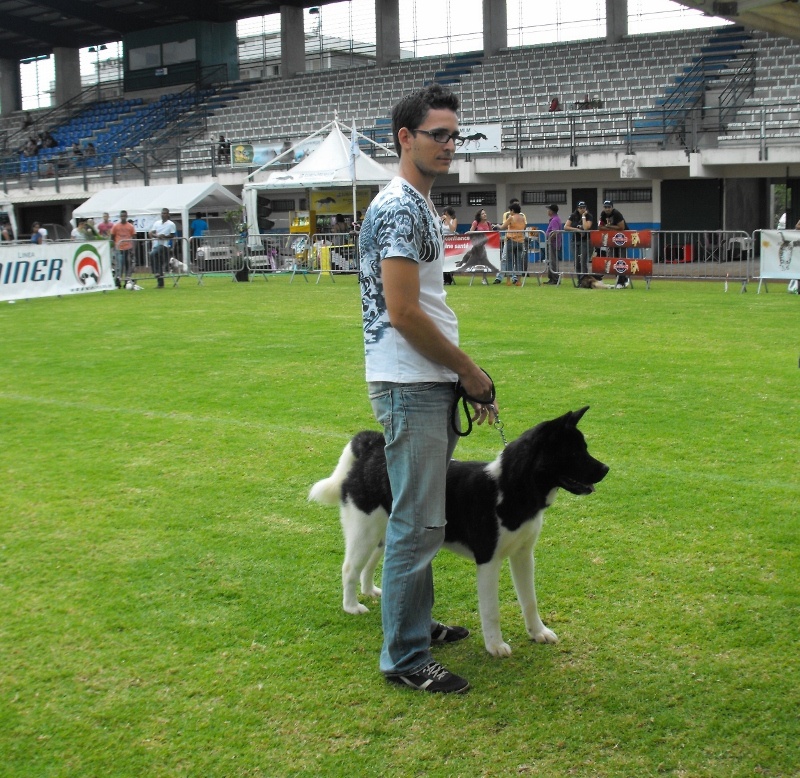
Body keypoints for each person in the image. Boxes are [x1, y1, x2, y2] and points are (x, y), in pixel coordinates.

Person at [358, 83, 496, 694]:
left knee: (426, 521)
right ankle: (405, 656)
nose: (448, 145)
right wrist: (469, 371)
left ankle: (414, 623)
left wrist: (457, 375)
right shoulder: (397, 209)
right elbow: (404, 312)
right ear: (404, 138)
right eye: (437, 134)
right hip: (408, 381)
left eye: (454, 135)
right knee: (417, 524)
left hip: (421, 380)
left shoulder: (417, 207)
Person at [494, 202, 526, 285]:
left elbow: (502, 227)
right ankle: (519, 281)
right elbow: (524, 227)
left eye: (510, 210)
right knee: (518, 261)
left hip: (511, 240)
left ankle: (508, 280)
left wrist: (497, 225)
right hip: (520, 241)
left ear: (512, 210)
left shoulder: (511, 218)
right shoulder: (522, 218)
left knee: (509, 261)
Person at [565, 201, 593, 280]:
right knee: (577, 261)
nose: (582, 209)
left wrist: (583, 217)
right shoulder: (573, 215)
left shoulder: (589, 216)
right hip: (575, 241)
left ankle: (585, 279)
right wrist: (576, 229)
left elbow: (586, 227)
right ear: (577, 208)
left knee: (583, 261)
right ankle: (579, 280)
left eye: (584, 208)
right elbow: (566, 227)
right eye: (580, 208)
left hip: (584, 241)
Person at [149, 208, 176, 287]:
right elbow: (152, 233)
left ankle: (155, 272)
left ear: (168, 214)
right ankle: (160, 283)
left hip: (164, 245)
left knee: (152, 254)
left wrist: (165, 236)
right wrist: (157, 236)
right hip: (155, 244)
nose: (163, 215)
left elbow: (172, 235)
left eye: (165, 213)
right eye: (162, 213)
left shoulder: (171, 224)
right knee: (158, 263)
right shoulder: (157, 223)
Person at [111, 210, 137, 279]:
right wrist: (114, 247)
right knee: (119, 265)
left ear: (126, 216)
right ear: (120, 217)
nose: (123, 217)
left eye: (124, 216)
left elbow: (134, 237)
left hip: (128, 248)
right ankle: (118, 278)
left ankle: (127, 278)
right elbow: (112, 237)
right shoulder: (116, 226)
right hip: (119, 249)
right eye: (122, 216)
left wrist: (133, 249)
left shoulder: (130, 226)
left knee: (128, 264)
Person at [543, 204, 563, 284]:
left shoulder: (555, 220)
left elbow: (555, 232)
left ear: (551, 211)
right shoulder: (554, 219)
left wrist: (549, 240)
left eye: (548, 210)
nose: (547, 211)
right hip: (552, 243)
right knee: (550, 261)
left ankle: (555, 279)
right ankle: (551, 278)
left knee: (553, 261)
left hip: (553, 244)